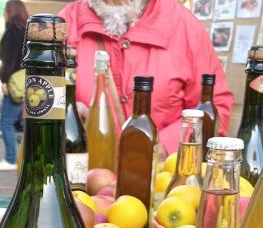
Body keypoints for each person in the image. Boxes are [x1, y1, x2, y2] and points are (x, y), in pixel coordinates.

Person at [60, 0, 233, 154]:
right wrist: (67, 114)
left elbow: (215, 107)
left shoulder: (182, 25)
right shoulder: (66, 24)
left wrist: (164, 146)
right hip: (82, 180)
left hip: (162, 179)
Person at [0, 0, 28, 171]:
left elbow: (9, 58)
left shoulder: (12, 30)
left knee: (6, 121)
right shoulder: (27, 29)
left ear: (10, 11)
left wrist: (4, 79)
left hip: (14, 83)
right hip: (26, 81)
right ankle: (19, 157)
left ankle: (11, 159)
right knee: (23, 120)